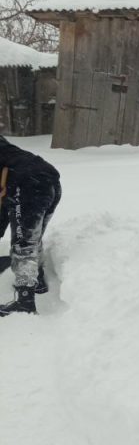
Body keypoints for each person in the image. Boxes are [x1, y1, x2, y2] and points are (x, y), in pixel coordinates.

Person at [0, 136, 61, 317]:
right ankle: (37, 280)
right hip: (49, 179)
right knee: (32, 236)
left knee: (23, 244)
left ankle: (25, 302)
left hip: (27, 183)